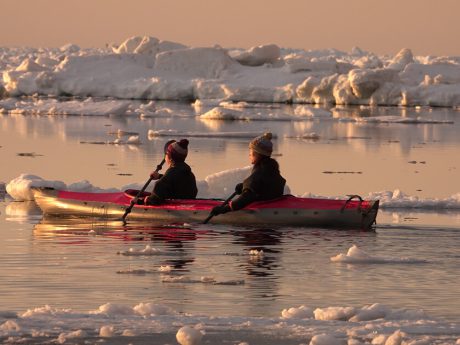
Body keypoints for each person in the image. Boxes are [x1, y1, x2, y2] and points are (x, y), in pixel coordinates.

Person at [211, 132, 286, 215]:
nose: (249, 155)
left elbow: (247, 197)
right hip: (273, 200)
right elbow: (262, 185)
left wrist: (224, 209)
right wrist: (245, 186)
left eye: (251, 153)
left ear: (257, 154)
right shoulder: (270, 168)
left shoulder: (259, 172)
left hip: (265, 208)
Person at [143, 139, 198, 205]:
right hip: (188, 203)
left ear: (169, 156)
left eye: (166, 154)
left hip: (178, 207)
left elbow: (156, 195)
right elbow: (176, 181)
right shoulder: (187, 171)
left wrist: (145, 200)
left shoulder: (171, 172)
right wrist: (159, 176)